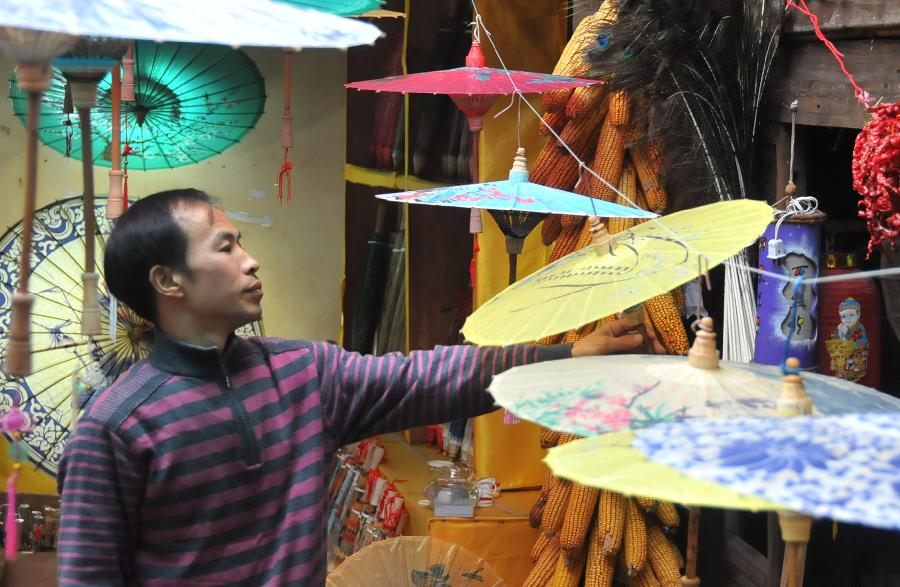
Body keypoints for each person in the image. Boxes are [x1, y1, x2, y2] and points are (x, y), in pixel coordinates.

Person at [57, 188, 660, 586]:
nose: (251, 260)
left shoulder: (301, 374)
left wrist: (569, 355)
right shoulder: (116, 430)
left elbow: (427, 377)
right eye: (226, 246)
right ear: (168, 281)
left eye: (242, 241)